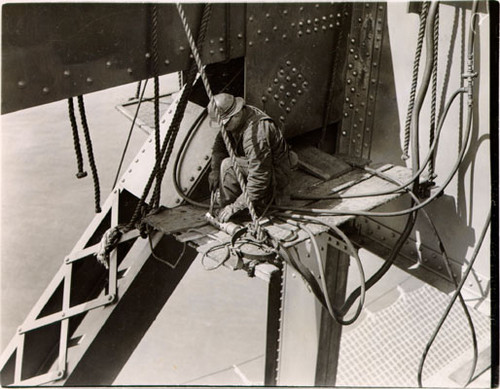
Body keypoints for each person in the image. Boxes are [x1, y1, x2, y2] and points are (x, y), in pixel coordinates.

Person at [207, 93, 295, 222]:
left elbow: (259, 176)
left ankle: (240, 211)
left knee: (228, 165)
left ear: (236, 114)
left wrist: (235, 207)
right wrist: (214, 171)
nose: (223, 128)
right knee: (223, 164)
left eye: (225, 124)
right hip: (260, 169)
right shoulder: (237, 119)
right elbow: (219, 147)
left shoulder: (256, 132)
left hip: (273, 180)